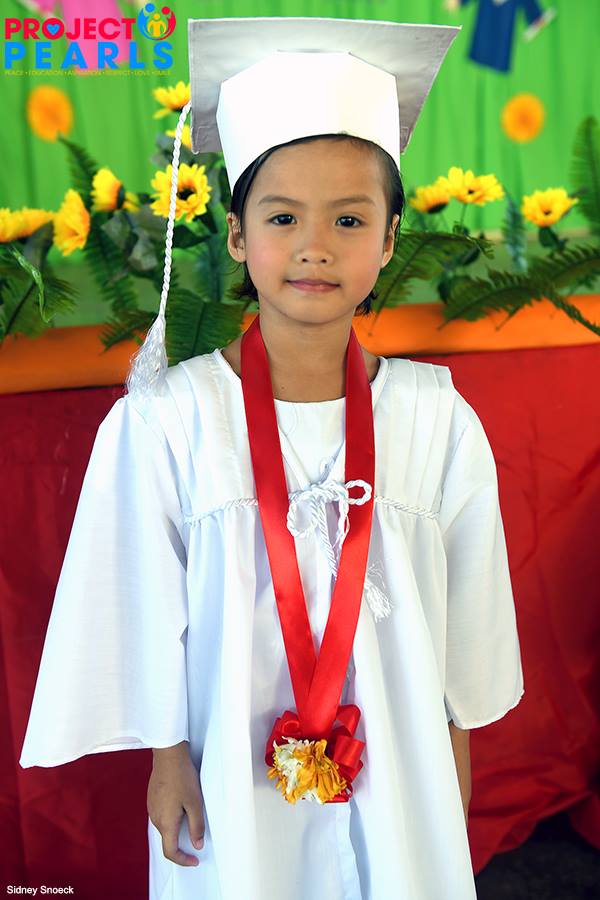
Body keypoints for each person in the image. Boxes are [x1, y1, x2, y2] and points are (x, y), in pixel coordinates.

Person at [19, 16, 525, 900]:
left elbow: (469, 618)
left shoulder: (433, 419)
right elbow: (137, 601)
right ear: (237, 235)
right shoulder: (170, 421)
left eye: (350, 219)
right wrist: (167, 758)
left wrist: (455, 756)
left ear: (390, 238)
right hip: (231, 770)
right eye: (282, 216)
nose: (314, 245)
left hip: (399, 763)